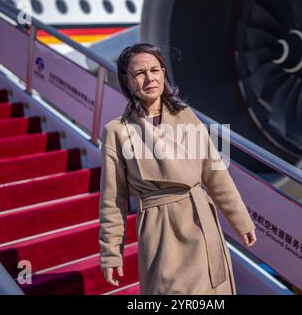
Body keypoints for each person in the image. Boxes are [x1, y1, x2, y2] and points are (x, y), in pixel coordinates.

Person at [99, 43, 257, 295]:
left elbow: (215, 174)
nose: (149, 78)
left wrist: (241, 221)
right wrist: (111, 253)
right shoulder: (116, 131)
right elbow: (112, 199)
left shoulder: (187, 116)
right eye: (139, 73)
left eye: (155, 70)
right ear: (127, 82)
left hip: (199, 222)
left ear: (164, 73)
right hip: (158, 230)